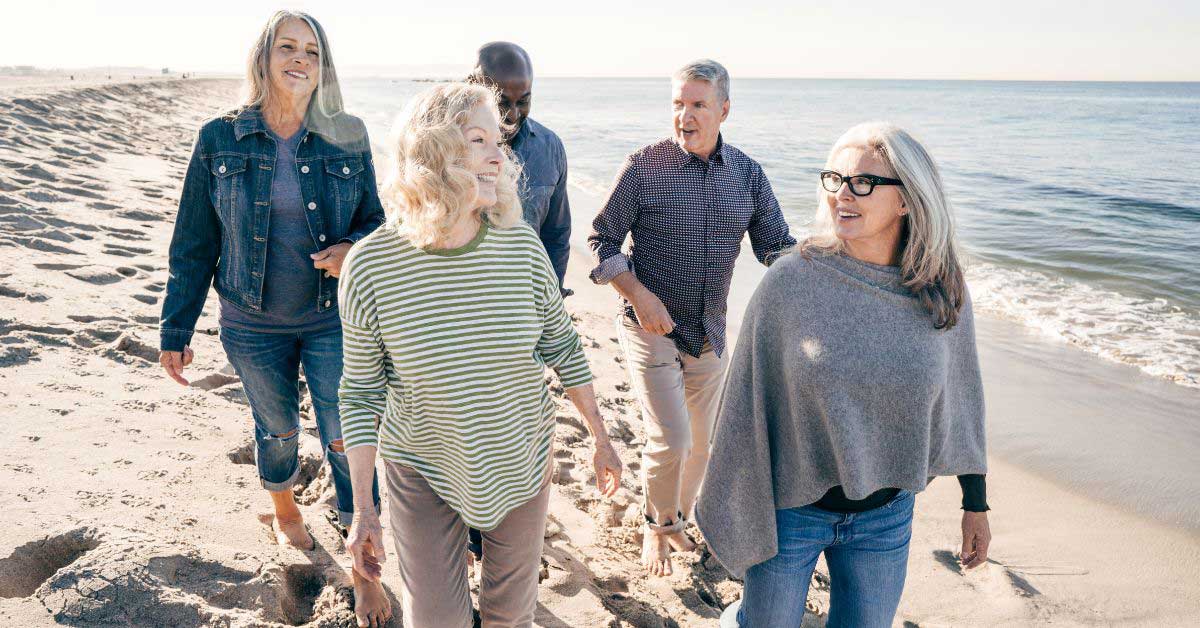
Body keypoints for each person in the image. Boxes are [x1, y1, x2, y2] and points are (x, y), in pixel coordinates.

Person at [337, 82, 622, 628]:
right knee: (436, 620)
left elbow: (561, 344)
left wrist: (602, 438)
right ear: (432, 155)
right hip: (423, 462)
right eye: (477, 141)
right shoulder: (372, 267)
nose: (499, 157)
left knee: (509, 617)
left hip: (519, 459)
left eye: (499, 142)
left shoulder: (520, 246)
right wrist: (364, 508)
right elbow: (360, 391)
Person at [696, 122, 992, 627]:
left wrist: (975, 503)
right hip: (793, 507)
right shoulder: (792, 280)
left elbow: (961, 395)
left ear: (907, 200)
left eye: (863, 183)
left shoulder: (939, 286)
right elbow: (745, 403)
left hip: (886, 515)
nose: (842, 195)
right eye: (834, 179)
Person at [156, 10, 390, 627]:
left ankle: (359, 539)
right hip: (250, 321)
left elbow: (377, 222)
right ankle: (287, 514)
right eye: (288, 47)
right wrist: (175, 330)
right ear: (263, 57)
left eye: (312, 52)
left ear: (324, 67)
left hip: (332, 318)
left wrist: (353, 250)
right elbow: (193, 241)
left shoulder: (350, 133)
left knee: (346, 431)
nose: (301, 60)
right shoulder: (219, 138)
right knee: (278, 426)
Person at [587, 59, 795, 576]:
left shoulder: (747, 175)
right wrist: (638, 295)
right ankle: (656, 528)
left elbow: (775, 248)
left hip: (709, 332)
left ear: (723, 110)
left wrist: (834, 258)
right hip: (648, 325)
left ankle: (674, 518)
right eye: (678, 103)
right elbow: (600, 242)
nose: (685, 115)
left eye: (698, 104)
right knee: (671, 438)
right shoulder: (644, 167)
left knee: (702, 445)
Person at [468, 41, 573, 297]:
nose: (513, 116)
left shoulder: (550, 147)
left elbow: (556, 234)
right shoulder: (446, 147)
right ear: (473, 85)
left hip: (526, 298)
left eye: (523, 101)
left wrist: (553, 294)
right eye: (502, 103)